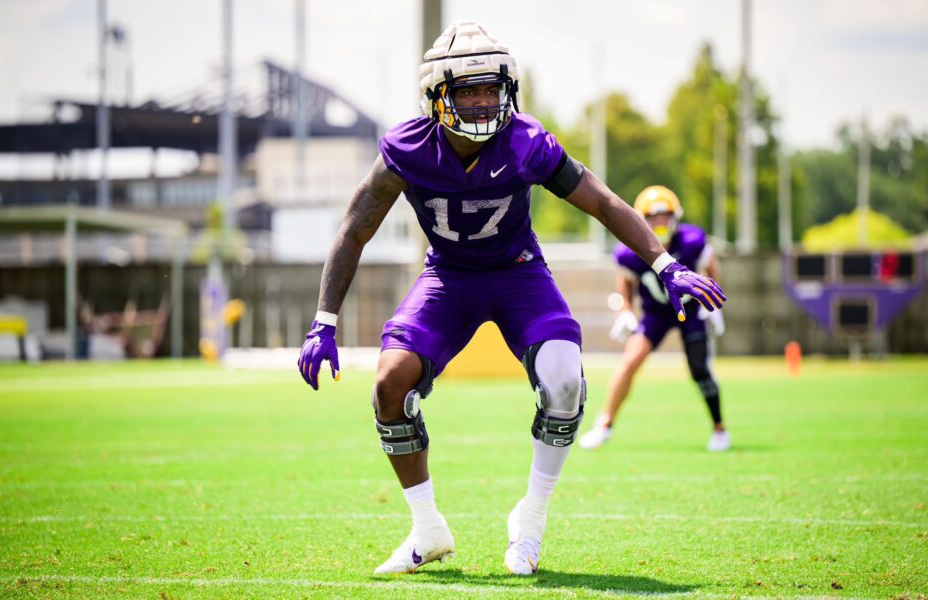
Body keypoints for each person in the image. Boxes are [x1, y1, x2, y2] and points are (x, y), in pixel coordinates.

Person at [297, 21, 725, 576]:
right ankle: (427, 529)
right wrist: (323, 322)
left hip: (519, 273)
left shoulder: (526, 141)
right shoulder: (407, 147)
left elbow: (602, 200)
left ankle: (532, 520)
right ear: (438, 95)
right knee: (388, 382)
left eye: (490, 88)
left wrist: (666, 265)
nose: (481, 101)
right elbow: (354, 229)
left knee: (566, 381)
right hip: (448, 277)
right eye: (467, 90)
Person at [578, 185, 730, 452]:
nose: (660, 223)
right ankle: (604, 425)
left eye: (665, 216)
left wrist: (713, 302)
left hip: (690, 311)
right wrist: (624, 310)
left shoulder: (692, 241)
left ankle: (719, 428)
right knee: (629, 361)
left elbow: (711, 266)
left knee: (699, 368)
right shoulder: (630, 250)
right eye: (653, 218)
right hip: (656, 314)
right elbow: (625, 282)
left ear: (676, 217)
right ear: (641, 220)